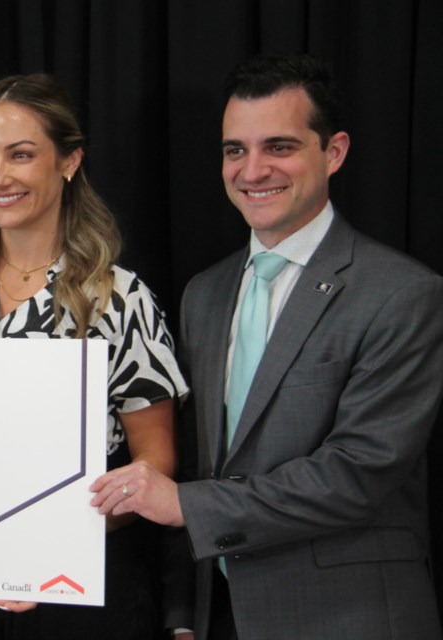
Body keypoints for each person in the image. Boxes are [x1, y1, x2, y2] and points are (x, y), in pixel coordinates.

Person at [90, 53, 443, 639]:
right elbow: (203, 463)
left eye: (278, 147)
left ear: (333, 152)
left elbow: (358, 474)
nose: (252, 171)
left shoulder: (401, 294)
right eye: (235, 150)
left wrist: (188, 507)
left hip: (349, 619)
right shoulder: (205, 293)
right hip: (219, 618)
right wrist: (183, 613)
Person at [0, 73, 188, 640]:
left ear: (69, 161)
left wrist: (51, 543)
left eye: (20, 155)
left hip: (75, 592)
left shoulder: (119, 297)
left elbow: (156, 462)